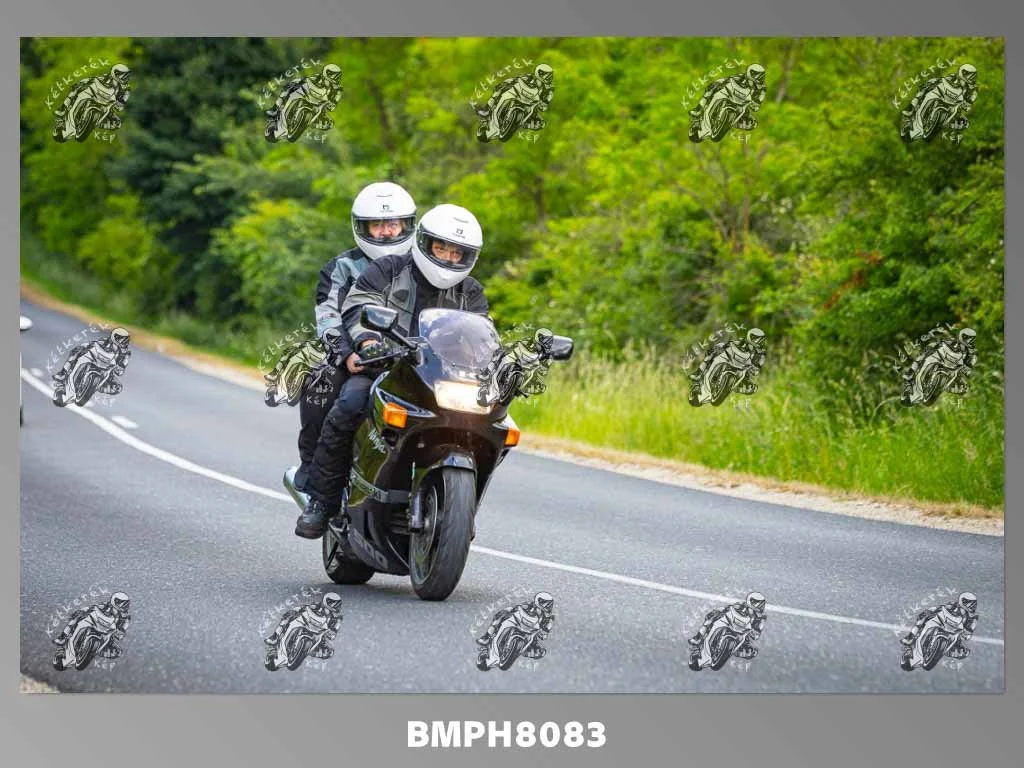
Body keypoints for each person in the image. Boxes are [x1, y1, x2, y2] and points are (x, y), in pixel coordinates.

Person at [294, 203, 490, 539]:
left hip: (436, 379)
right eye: (441, 248)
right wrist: (368, 341)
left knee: (486, 424)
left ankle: (459, 512)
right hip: (384, 368)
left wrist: (496, 363)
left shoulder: (470, 292)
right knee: (350, 404)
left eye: (457, 252)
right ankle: (322, 501)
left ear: (468, 256)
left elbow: (482, 334)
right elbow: (358, 305)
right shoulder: (389, 269)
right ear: (425, 242)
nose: (448, 257)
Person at [292, 182, 417, 493]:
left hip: (415, 362)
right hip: (357, 360)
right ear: (362, 227)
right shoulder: (341, 267)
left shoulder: (423, 267)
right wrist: (347, 355)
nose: (387, 232)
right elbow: (328, 318)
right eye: (378, 225)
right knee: (320, 382)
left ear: (407, 225)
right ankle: (313, 473)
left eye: (393, 224)